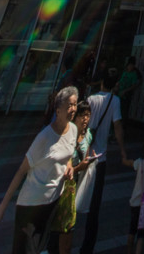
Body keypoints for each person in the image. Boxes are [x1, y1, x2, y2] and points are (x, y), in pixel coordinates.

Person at [0, 86, 81, 253]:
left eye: (75, 105)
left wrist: (69, 167)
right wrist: (1, 210)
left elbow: (68, 153)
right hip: (30, 206)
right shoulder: (44, 138)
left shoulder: (73, 129)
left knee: (38, 248)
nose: (73, 109)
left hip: (52, 202)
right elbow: (20, 172)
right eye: (69, 105)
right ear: (58, 109)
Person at [79, 68, 127, 254]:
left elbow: (81, 125)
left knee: (74, 198)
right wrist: (123, 151)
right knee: (94, 206)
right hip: (100, 159)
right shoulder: (115, 101)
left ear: (101, 82)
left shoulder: (91, 99)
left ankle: (64, 236)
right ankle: (87, 247)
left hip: (84, 156)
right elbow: (118, 128)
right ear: (115, 85)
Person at [47, 100, 97, 254]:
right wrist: (77, 168)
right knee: (59, 225)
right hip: (61, 185)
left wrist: (90, 160)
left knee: (67, 226)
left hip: (76, 186)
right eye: (82, 116)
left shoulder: (88, 134)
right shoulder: (68, 135)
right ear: (75, 118)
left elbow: (86, 154)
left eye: (88, 116)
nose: (85, 119)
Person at [118, 57, 142, 123]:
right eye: (130, 65)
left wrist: (125, 91)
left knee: (124, 111)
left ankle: (122, 126)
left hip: (126, 95)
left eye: (132, 65)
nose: (131, 67)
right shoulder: (124, 71)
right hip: (120, 93)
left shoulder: (134, 73)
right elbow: (121, 80)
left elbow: (135, 84)